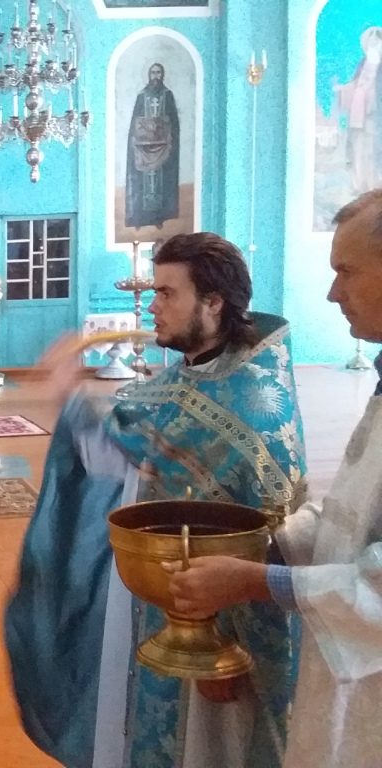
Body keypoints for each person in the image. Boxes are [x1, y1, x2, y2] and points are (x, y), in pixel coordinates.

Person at [4, 232, 308, 768]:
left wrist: (223, 648)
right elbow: (125, 463)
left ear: (213, 302)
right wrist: (72, 402)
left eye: (167, 293)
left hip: (218, 629)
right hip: (152, 606)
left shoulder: (256, 400)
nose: (152, 306)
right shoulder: (183, 378)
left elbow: (269, 539)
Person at [164, 191, 382, 767]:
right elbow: (354, 514)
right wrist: (268, 546)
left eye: (346, 271)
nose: (332, 292)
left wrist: (259, 581)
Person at [125, 63, 180, 230]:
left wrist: (165, 130)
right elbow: (135, 121)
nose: (156, 76)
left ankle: (159, 218)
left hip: (162, 148)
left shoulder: (167, 95)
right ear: (149, 75)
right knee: (142, 181)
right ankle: (140, 219)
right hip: (144, 148)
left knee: (160, 182)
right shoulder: (141, 96)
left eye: (158, 73)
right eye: (153, 73)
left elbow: (173, 121)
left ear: (162, 75)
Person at [333, 27, 382, 196]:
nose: (374, 45)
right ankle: (361, 186)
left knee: (373, 153)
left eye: (377, 42)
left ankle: (374, 188)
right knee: (358, 151)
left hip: (376, 117)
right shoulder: (363, 63)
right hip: (359, 118)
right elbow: (356, 84)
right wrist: (343, 89)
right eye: (371, 42)